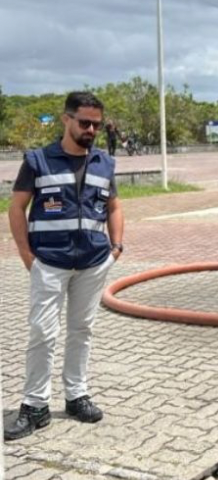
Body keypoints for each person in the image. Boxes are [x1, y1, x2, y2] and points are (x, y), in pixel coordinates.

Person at [4, 91, 125, 441]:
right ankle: (35, 406)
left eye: (97, 125)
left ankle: (76, 395)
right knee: (43, 332)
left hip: (92, 262)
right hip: (50, 262)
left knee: (81, 331)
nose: (90, 129)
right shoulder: (39, 161)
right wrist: (27, 256)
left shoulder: (105, 162)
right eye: (84, 122)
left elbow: (115, 207)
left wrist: (115, 248)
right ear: (66, 119)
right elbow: (16, 208)